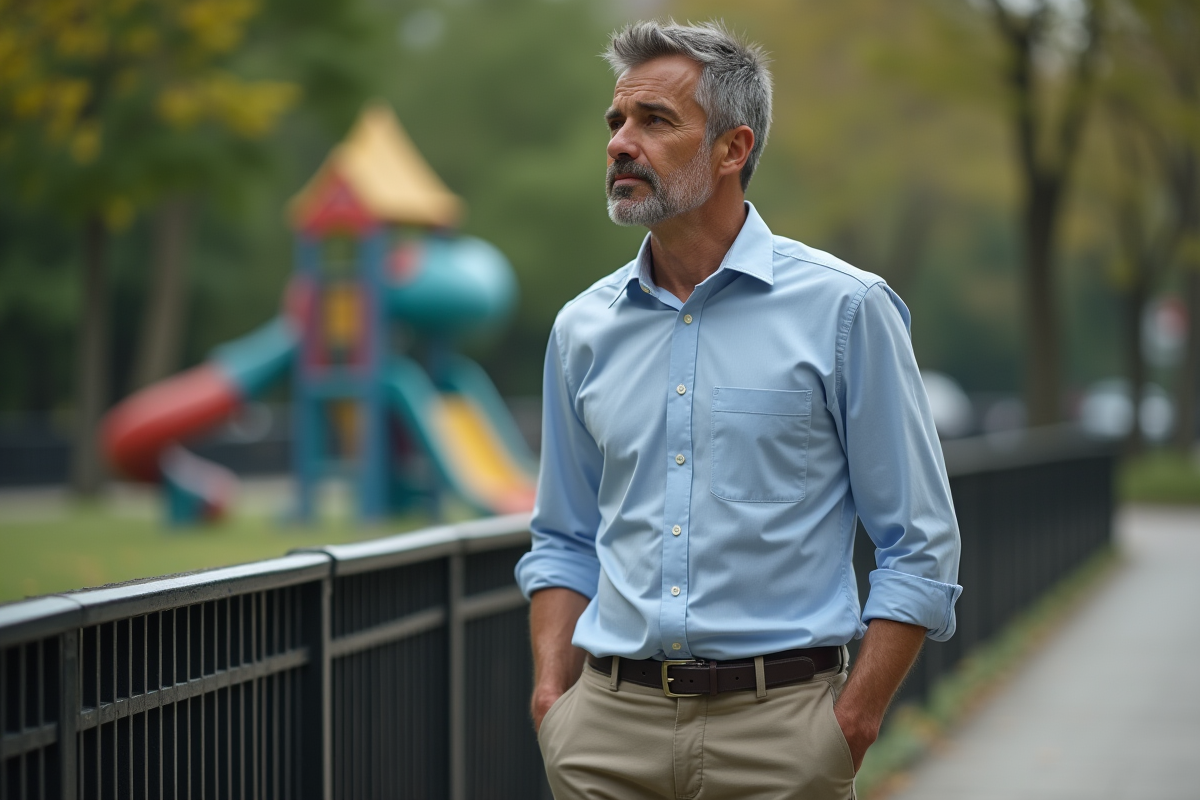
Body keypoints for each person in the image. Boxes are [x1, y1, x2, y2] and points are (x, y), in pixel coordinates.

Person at [515, 19, 962, 800]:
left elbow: (919, 546)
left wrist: (849, 725)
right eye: (617, 121)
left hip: (782, 738)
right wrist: (555, 699)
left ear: (733, 149)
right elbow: (563, 537)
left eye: (655, 121)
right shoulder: (582, 328)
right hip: (605, 738)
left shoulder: (846, 310)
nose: (621, 142)